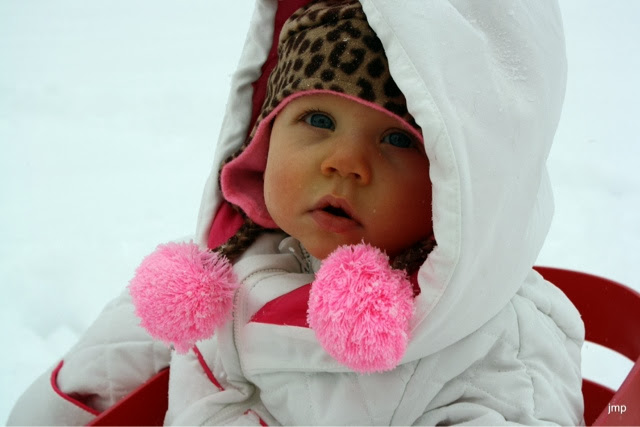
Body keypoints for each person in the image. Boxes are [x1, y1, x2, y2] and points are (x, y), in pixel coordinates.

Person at [8, 0, 585, 425]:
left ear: (462, 185)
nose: (344, 163)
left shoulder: (494, 347)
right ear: (264, 141)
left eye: (397, 140)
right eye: (318, 120)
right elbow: (102, 372)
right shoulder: (223, 271)